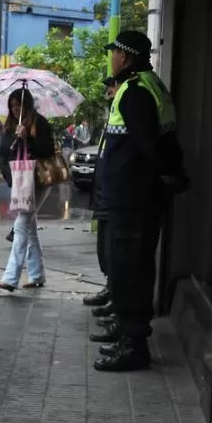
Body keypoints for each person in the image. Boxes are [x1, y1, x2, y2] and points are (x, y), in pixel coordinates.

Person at [93, 30, 179, 373]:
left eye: (113, 52)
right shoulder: (147, 85)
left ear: (124, 57)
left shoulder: (137, 92)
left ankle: (133, 345)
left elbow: (150, 150)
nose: (110, 58)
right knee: (129, 267)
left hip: (133, 201)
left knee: (130, 269)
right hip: (132, 199)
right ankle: (127, 332)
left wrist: (151, 184)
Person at [0, 88, 55, 292]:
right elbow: (3, 153)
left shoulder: (39, 123)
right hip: (19, 179)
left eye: (18, 105)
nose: (14, 110)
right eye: (12, 106)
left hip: (38, 180)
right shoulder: (10, 125)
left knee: (21, 225)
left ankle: (11, 277)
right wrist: (9, 176)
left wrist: (27, 138)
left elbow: (47, 150)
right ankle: (37, 274)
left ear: (27, 105)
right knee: (29, 229)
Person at [85, 77, 118, 336]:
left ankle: (118, 303)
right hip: (104, 197)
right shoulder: (111, 120)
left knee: (115, 253)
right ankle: (111, 290)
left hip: (116, 198)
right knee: (105, 251)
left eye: (112, 87)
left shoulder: (126, 113)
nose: (108, 92)